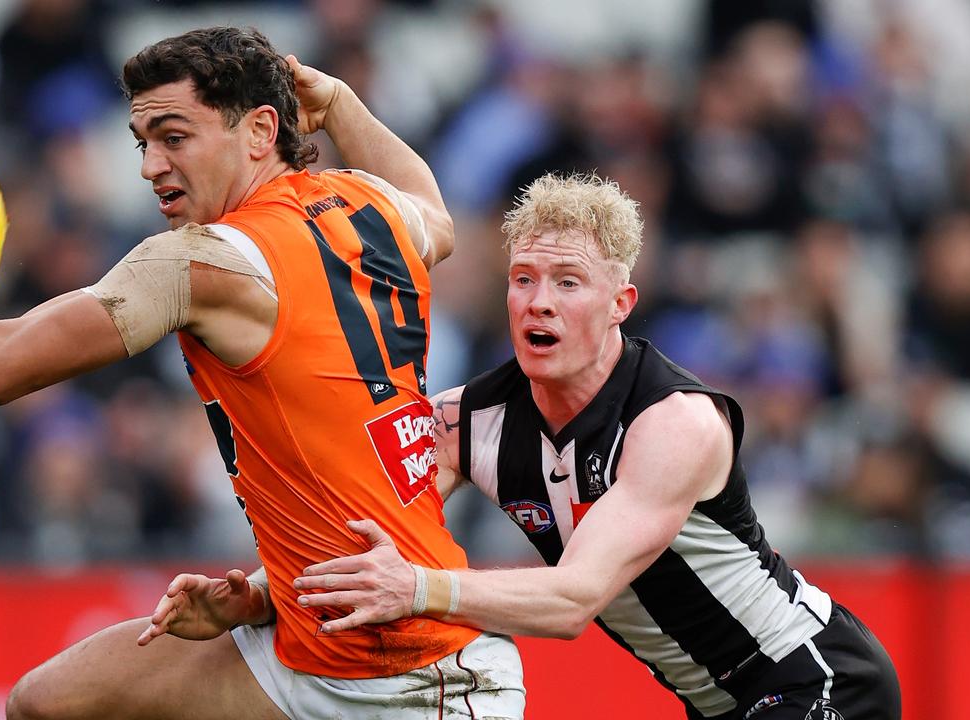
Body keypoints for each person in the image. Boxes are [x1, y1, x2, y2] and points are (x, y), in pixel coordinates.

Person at [0, 27, 524, 720]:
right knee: (50, 701)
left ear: (259, 132)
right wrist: (339, 103)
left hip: (416, 673)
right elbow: (434, 209)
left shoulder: (202, 261)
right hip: (309, 642)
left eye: (174, 137)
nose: (150, 165)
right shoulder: (374, 208)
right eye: (142, 141)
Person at [286, 173, 902, 719]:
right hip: (717, 704)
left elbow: (573, 600)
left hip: (815, 676)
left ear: (620, 306)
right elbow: (361, 527)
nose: (540, 301)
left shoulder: (674, 422)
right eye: (523, 278)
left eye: (568, 282)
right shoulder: (464, 418)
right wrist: (257, 595)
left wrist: (417, 589)